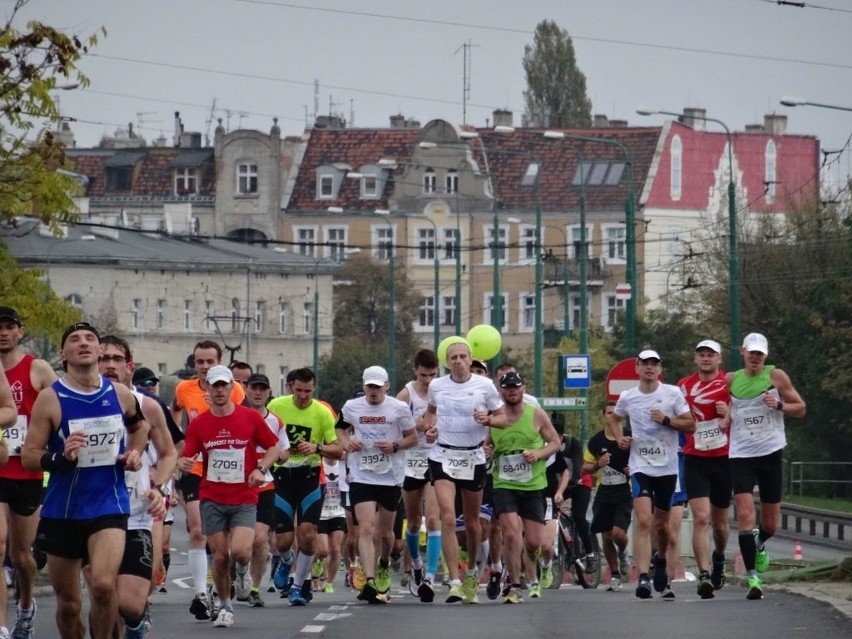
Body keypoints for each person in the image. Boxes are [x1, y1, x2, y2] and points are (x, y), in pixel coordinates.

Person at [21, 322, 149, 639]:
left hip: (109, 504)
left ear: (99, 350)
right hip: (63, 510)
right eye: (75, 339)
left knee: (105, 586)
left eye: (90, 338)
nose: (84, 343)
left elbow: (139, 428)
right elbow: (29, 455)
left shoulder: (120, 395)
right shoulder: (51, 399)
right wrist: (60, 457)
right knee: (69, 606)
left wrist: (135, 453)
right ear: (63, 353)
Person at [179, 365, 282, 628]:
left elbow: (273, 446)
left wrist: (261, 469)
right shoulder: (200, 423)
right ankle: (225, 606)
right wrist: (183, 464)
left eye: (225, 385)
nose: (220, 390)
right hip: (212, 496)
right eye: (215, 386)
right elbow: (187, 454)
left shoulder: (249, 418)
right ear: (209, 389)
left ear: (232, 388)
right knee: (220, 555)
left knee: (240, 552)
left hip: (245, 496)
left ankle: (243, 573)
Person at [98, 335, 177, 639]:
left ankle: (135, 624)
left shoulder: (148, 406)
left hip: (135, 511)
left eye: (117, 359)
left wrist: (158, 487)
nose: (110, 365)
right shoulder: (77, 403)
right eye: (103, 358)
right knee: (104, 594)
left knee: (130, 603)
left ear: (129, 366)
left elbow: (169, 453)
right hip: (91, 511)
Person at [422, 339, 507, 604]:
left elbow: (503, 417)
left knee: (472, 523)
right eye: (453, 357)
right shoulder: (437, 386)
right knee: (447, 517)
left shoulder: (484, 386)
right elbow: (430, 414)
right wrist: (429, 429)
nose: (458, 361)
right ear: (447, 363)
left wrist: (489, 420)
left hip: (473, 456)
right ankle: (454, 581)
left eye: (462, 356)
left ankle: (471, 570)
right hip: (443, 455)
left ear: (470, 360)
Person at [725, 333, 805, 600]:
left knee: (771, 524)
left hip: (770, 453)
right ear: (743, 353)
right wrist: (724, 416)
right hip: (741, 455)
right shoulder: (731, 379)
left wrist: (780, 405)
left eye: (760, 354)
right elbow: (724, 411)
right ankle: (752, 579)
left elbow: (801, 408)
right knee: (746, 516)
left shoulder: (776, 376)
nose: (756, 358)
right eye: (752, 353)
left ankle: (759, 543)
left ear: (765, 356)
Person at [171, 341, 245, 620]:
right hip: (196, 467)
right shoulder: (184, 389)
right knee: (198, 529)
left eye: (209, 362)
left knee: (222, 537)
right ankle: (201, 593)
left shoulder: (233, 389)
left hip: (226, 469)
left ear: (220, 362)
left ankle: (221, 583)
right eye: (199, 362)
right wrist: (180, 446)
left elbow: (240, 421)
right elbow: (174, 414)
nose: (204, 367)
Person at [611, 349, 694, 600]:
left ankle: (660, 560)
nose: (649, 367)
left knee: (663, 525)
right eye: (645, 363)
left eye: (654, 363)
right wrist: (620, 439)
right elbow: (614, 419)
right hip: (641, 465)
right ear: (637, 368)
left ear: (660, 369)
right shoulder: (628, 397)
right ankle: (644, 576)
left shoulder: (672, 393)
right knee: (644, 519)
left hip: (667, 467)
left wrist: (667, 421)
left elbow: (691, 424)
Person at [335, 366, 417, 603]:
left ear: (386, 387)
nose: (373, 391)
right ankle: (370, 579)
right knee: (367, 528)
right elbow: (340, 427)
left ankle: (383, 564)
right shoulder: (352, 406)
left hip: (390, 475)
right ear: (363, 386)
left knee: (385, 533)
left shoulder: (398, 408)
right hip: (362, 475)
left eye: (377, 387)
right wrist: (346, 442)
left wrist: (395, 446)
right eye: (369, 386)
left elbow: (413, 438)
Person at [0, 306, 56, 639]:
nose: (3, 333)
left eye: (9, 327)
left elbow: (64, 406)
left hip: (29, 472)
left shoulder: (37, 368)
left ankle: (25, 605)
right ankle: (2, 627)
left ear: (20, 331)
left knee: (22, 556)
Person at [267, 367, 342, 606]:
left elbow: (338, 449)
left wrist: (317, 448)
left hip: (310, 478)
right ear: (291, 387)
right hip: (282, 478)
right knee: (283, 540)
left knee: (308, 535)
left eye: (308, 391)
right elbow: (264, 437)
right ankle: (286, 560)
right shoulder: (277, 407)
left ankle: (298, 586)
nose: (303, 396)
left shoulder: (322, 412)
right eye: (299, 390)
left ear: (314, 389)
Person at [488, 371, 561, 604]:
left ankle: (533, 571)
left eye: (516, 387)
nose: (512, 391)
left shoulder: (536, 414)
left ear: (523, 388)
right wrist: (487, 451)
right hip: (504, 484)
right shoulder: (495, 418)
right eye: (507, 388)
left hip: (533, 485)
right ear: (501, 391)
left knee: (533, 542)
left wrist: (538, 454)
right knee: (510, 533)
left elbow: (556, 443)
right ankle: (514, 584)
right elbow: (486, 445)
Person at [678, 339, 731, 599]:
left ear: (719, 359)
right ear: (695, 359)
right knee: (700, 517)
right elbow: (675, 417)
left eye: (711, 354)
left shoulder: (728, 385)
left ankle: (719, 557)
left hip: (724, 458)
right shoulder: (684, 386)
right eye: (702, 354)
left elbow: (746, 416)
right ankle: (704, 574)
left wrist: (728, 413)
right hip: (695, 458)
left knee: (720, 524)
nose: (706, 358)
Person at [396, 349, 441, 602]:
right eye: (424, 375)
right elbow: (393, 426)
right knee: (413, 522)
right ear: (416, 371)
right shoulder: (406, 395)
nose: (428, 380)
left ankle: (430, 577)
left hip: (435, 459)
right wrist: (417, 425)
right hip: (411, 460)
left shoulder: (443, 390)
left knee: (433, 520)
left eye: (433, 374)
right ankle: (416, 564)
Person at [243, 372, 289, 607]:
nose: (258, 393)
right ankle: (238, 573)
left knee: (260, 539)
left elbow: (285, 449)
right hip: (236, 486)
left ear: (269, 392)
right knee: (238, 546)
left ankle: (253, 588)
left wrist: (280, 456)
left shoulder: (276, 421)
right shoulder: (235, 416)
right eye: (254, 388)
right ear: (246, 390)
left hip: (265, 485)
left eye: (263, 389)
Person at [584, 401, 632, 592]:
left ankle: (623, 552)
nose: (612, 416)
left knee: (618, 534)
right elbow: (583, 466)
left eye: (616, 413)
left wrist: (634, 469)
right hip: (604, 491)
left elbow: (644, 459)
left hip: (624, 492)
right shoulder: (596, 441)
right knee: (606, 534)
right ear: (603, 417)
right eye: (609, 413)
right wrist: (597, 465)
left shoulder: (630, 437)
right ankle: (614, 574)